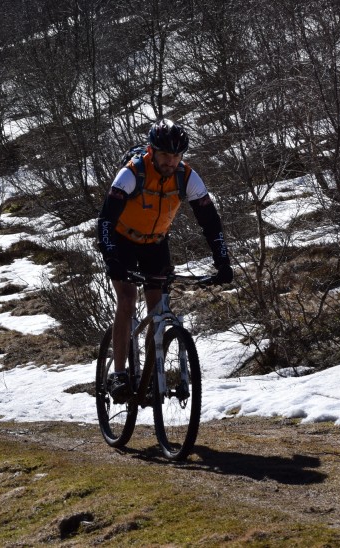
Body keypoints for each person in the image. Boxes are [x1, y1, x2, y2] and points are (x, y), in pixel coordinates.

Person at [97, 118, 232, 401]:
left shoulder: (187, 177)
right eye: (164, 155)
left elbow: (210, 222)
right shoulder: (131, 174)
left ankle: (150, 375)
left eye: (176, 155)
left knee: (158, 312)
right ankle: (119, 374)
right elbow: (106, 220)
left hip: (155, 244)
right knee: (127, 300)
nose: (170, 161)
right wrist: (112, 258)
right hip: (122, 241)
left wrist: (222, 261)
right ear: (151, 151)